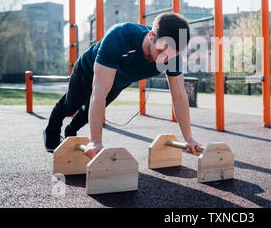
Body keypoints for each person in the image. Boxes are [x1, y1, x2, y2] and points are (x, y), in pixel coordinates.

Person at [43, 12, 201, 159]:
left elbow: (179, 96)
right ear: (151, 36)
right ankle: (51, 130)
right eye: (161, 52)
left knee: (85, 115)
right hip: (88, 70)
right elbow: (98, 93)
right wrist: (96, 141)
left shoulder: (172, 56)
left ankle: (71, 130)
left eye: (170, 56)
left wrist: (189, 139)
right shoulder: (120, 36)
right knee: (71, 106)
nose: (164, 60)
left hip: (119, 81)